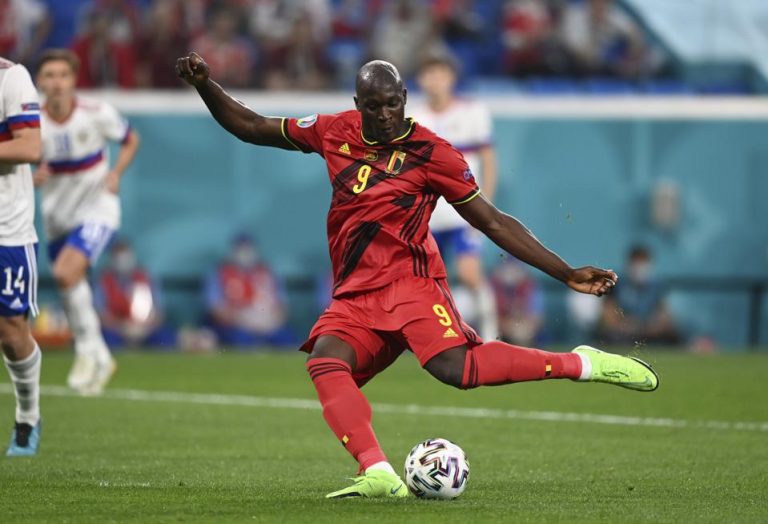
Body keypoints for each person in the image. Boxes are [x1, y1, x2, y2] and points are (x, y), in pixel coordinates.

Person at [176, 52, 659, 499]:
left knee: (456, 370)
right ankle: (377, 472)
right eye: (373, 106)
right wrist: (205, 85)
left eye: (392, 103)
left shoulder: (433, 153)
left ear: (405, 98)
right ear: (357, 105)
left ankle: (580, 363)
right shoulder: (333, 131)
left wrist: (565, 272)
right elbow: (251, 126)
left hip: (413, 282)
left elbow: (493, 222)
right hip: (356, 291)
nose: (384, 114)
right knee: (326, 362)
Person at [34, 49, 140, 395]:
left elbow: (130, 139)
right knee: (70, 281)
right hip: (57, 216)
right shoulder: (31, 121)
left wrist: (116, 173)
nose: (57, 83)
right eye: (49, 75)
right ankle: (101, 356)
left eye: (63, 75)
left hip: (98, 208)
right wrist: (31, 175)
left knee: (66, 272)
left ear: (73, 80)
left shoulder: (96, 113)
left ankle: (84, 350)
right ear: (39, 82)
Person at [410, 54, 499, 341]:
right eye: (429, 75)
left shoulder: (472, 111)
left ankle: (491, 332)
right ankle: (432, 337)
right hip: (428, 214)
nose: (435, 81)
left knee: (470, 273)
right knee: (423, 279)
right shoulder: (413, 117)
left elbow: (488, 159)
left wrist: (485, 205)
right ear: (421, 80)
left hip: (463, 210)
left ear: (451, 78)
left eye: (440, 74)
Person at [0, 55, 44, 455]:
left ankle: (28, 416)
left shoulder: (11, 78)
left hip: (6, 231)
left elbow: (30, 146)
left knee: (11, 334)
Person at [204, 234, 295, 347]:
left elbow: (282, 308)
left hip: (267, 325)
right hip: (237, 325)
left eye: (248, 248)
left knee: (286, 338)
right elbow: (216, 309)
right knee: (241, 339)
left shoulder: (267, 272)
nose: (245, 253)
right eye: (241, 249)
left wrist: (269, 322)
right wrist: (244, 319)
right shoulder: (220, 273)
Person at [95, 240, 176, 348]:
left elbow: (159, 313)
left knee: (165, 337)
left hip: (146, 329)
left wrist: (144, 327)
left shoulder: (147, 278)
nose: (123, 262)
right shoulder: (103, 281)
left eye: (126, 257)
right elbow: (101, 314)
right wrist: (123, 327)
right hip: (117, 330)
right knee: (106, 338)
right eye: (119, 258)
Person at [599, 245, 680, 345]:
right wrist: (626, 325)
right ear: (629, 264)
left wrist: (651, 327)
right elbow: (608, 316)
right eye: (637, 263)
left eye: (643, 263)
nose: (640, 268)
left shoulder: (657, 287)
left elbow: (665, 317)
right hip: (623, 333)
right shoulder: (616, 285)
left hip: (649, 333)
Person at [491, 257, 544, 346]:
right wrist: (507, 325)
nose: (511, 272)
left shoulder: (530, 287)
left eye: (515, 268)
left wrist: (520, 325)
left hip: (523, 326)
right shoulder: (493, 287)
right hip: (501, 329)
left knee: (522, 332)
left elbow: (537, 319)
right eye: (508, 267)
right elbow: (490, 317)